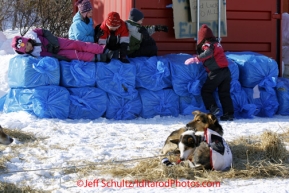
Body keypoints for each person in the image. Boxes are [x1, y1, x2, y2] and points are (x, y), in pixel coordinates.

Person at [184, 24, 234, 121]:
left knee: (206, 91)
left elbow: (208, 53)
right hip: (226, 71)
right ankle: (229, 114)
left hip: (216, 72)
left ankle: (213, 109)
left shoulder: (208, 44)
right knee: (224, 93)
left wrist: (196, 58)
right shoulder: (217, 43)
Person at [11, 28, 112, 62]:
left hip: (57, 42)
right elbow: (48, 56)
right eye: (27, 49)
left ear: (27, 40)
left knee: (78, 45)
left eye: (27, 44)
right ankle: (98, 58)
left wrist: (54, 42)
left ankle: (103, 50)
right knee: (76, 55)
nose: (29, 47)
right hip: (56, 52)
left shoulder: (33, 34)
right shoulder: (35, 54)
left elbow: (45, 32)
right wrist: (60, 57)